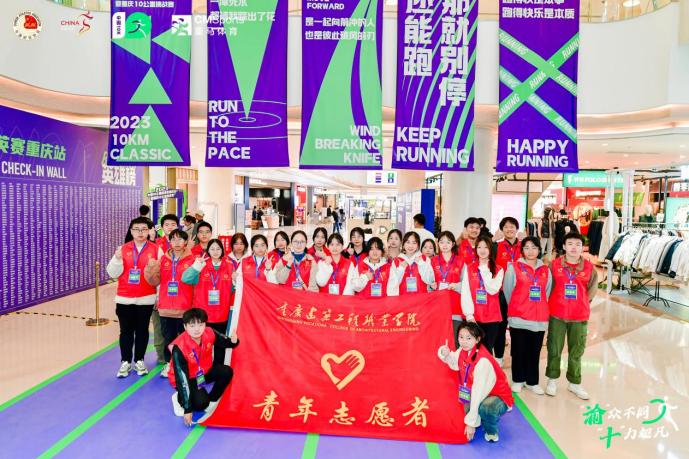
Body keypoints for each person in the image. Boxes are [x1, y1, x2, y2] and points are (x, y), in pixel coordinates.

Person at [437, 321, 514, 443]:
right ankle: (481, 417)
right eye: (461, 337)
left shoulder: (483, 361)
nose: (464, 341)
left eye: (469, 338)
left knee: (486, 409)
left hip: (497, 395)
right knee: (462, 410)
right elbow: (454, 363)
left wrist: (471, 423)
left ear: (477, 339)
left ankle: (491, 432)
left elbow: (478, 393)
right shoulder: (463, 350)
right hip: (476, 390)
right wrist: (445, 354)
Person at [107, 217, 162, 378]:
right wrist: (117, 259)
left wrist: (158, 296)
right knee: (126, 331)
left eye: (144, 229)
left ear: (149, 231)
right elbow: (112, 273)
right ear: (131, 231)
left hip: (146, 298)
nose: (140, 232)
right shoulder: (122, 249)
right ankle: (125, 361)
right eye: (136, 229)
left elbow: (161, 276)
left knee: (142, 331)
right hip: (124, 298)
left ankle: (139, 360)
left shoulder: (156, 250)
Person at [545, 233, 598, 400]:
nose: (574, 247)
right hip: (557, 314)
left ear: (582, 247)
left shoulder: (589, 268)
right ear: (564, 246)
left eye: (577, 244)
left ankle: (574, 382)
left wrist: (582, 302)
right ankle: (552, 379)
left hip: (579, 315)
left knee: (577, 349)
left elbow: (592, 290)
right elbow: (548, 287)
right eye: (570, 243)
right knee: (554, 347)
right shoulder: (554, 265)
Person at [169, 308, 239, 426]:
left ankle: (212, 399)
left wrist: (234, 341)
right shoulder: (179, 348)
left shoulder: (209, 332)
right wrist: (187, 409)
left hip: (203, 372)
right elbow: (182, 379)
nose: (197, 329)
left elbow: (225, 342)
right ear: (185, 327)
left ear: (205, 324)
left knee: (226, 371)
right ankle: (179, 398)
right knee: (201, 403)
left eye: (200, 324)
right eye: (192, 326)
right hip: (187, 378)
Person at [502, 236, 552, 395]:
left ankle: (532, 382)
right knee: (518, 351)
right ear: (522, 250)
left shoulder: (545, 270)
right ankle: (518, 380)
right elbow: (508, 291)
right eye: (527, 247)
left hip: (539, 318)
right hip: (518, 317)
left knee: (534, 351)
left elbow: (546, 292)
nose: (530, 251)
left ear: (539, 249)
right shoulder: (514, 268)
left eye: (534, 247)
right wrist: (518, 305)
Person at [147, 229, 196, 378]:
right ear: (169, 241)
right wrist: (150, 268)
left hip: (185, 308)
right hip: (166, 308)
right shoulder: (163, 260)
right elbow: (154, 281)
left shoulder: (193, 260)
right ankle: (169, 364)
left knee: (186, 340)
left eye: (180, 239)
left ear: (186, 242)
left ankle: (184, 365)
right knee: (168, 339)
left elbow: (196, 284)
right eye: (173, 239)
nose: (177, 242)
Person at [182, 239, 235, 346]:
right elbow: (185, 279)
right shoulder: (201, 265)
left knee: (220, 346)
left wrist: (235, 281)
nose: (215, 251)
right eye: (212, 249)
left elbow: (233, 290)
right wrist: (197, 265)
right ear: (208, 251)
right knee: (203, 345)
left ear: (222, 250)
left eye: (218, 249)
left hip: (222, 314)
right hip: (203, 314)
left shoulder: (230, 267)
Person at [461, 235, 504, 354]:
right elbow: (466, 292)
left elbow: (492, 289)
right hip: (474, 316)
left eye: (486, 247)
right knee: (472, 350)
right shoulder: (470, 268)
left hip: (491, 316)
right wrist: (469, 315)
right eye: (479, 247)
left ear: (490, 249)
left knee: (487, 350)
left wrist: (484, 269)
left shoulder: (498, 269)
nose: (482, 250)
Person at [151, 213, 180, 365]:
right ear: (162, 228)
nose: (170, 227)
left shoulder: (184, 245)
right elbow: (153, 273)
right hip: (160, 294)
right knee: (159, 327)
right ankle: (162, 357)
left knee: (179, 328)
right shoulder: (155, 245)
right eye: (167, 225)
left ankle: (178, 357)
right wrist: (156, 296)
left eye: (173, 224)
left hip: (180, 297)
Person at [493, 216, 521, 367]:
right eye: (506, 227)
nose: (509, 229)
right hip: (501, 292)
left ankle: (516, 357)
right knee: (500, 326)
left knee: (518, 327)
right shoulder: (496, 247)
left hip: (520, 293)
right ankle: (498, 356)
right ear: (502, 230)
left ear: (517, 229)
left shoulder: (524, 246)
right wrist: (492, 239)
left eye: (512, 227)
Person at [431, 231, 464, 339]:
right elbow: (428, 282)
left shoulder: (460, 261)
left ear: (453, 244)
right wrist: (431, 285)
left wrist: (457, 286)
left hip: (455, 306)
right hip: (437, 306)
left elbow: (467, 284)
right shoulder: (432, 261)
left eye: (448, 242)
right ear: (438, 244)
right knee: (438, 339)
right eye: (441, 242)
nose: (444, 245)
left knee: (455, 339)